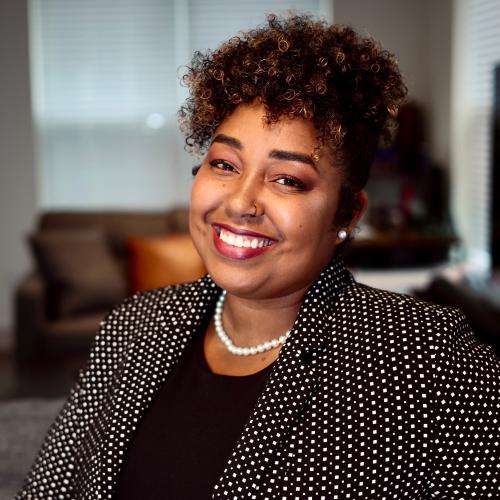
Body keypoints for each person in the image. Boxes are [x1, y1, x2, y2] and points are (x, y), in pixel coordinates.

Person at [17, 14, 500, 500]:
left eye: (287, 179)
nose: (240, 203)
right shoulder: (133, 326)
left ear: (347, 212)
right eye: (224, 165)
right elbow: (50, 486)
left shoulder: (427, 358)